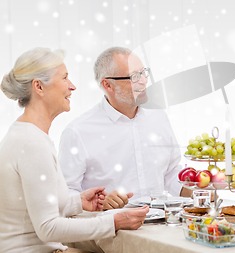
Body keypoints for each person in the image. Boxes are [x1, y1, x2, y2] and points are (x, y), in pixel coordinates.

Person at [0, 48, 148, 253]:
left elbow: (36, 205)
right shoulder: (31, 143)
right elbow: (48, 228)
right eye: (65, 78)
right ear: (39, 87)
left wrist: (78, 202)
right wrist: (114, 222)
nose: (72, 86)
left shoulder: (27, 135)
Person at [58, 47, 184, 210]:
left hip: (161, 225)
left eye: (144, 73)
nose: (144, 81)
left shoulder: (159, 118)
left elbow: (170, 174)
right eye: (134, 77)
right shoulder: (78, 131)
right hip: (113, 230)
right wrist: (100, 202)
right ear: (108, 85)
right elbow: (65, 193)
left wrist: (200, 191)